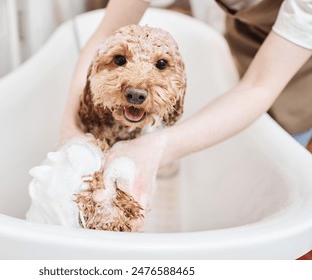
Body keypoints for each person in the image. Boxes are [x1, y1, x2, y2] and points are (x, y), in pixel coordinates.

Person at [59, 0, 312, 210]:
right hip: (241, 42)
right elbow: (106, 33)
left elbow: (259, 86)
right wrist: (69, 127)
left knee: (271, 182)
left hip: (300, 78)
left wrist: (161, 147)